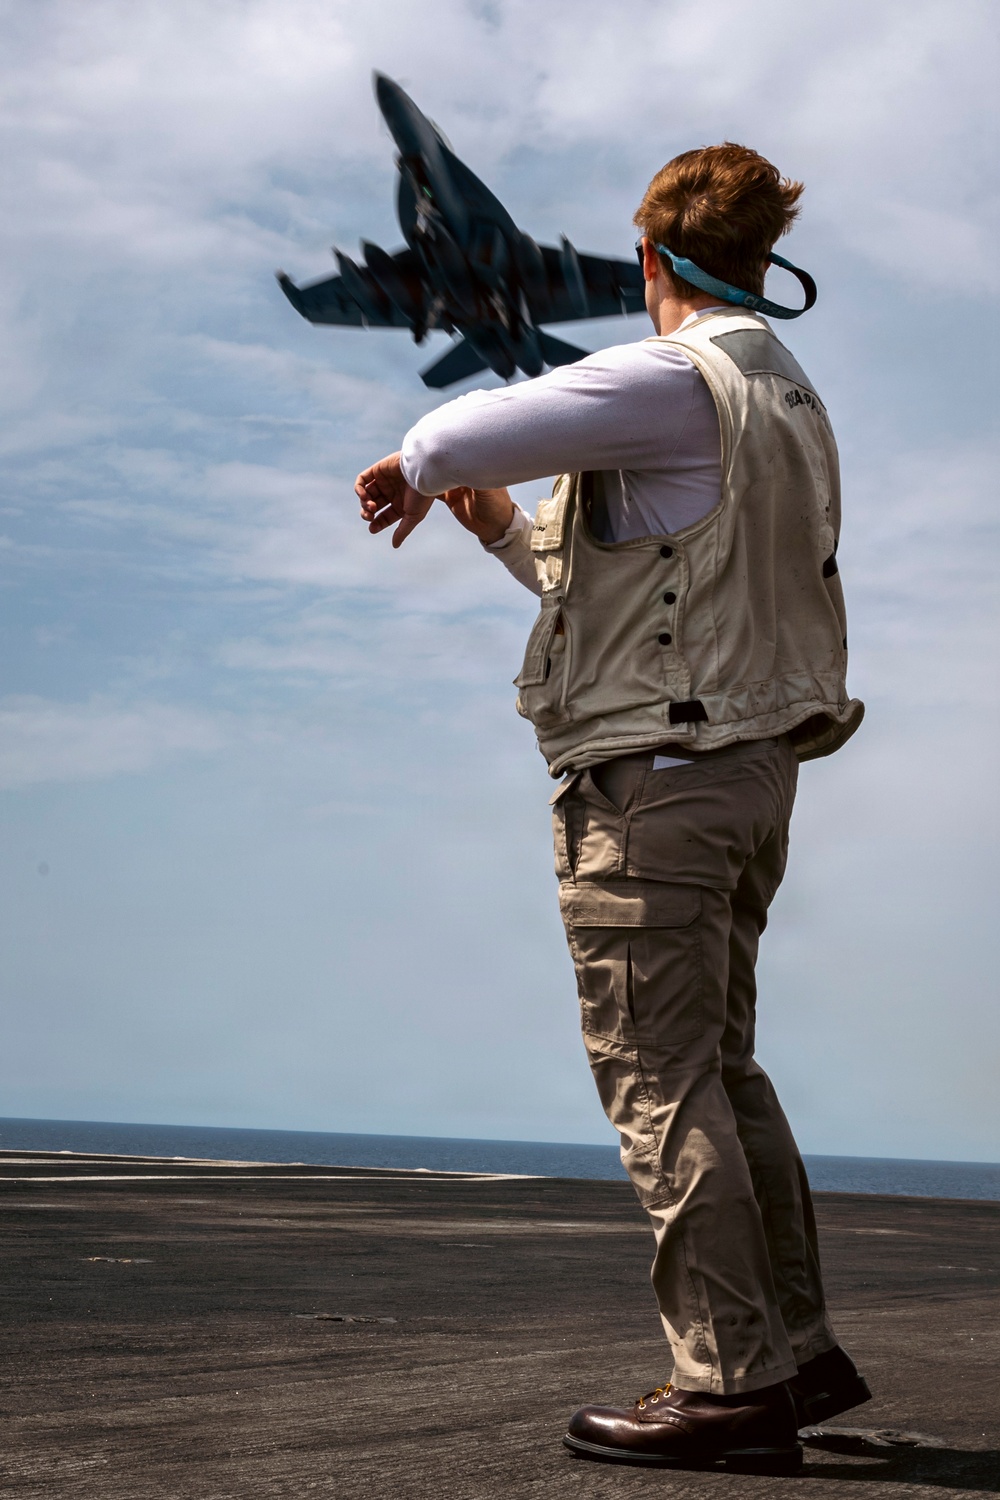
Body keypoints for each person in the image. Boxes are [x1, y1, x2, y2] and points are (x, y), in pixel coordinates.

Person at [355, 143, 869, 1475]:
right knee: (723, 1071)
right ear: (764, 259)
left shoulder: (669, 377)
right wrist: (494, 523)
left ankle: (729, 1386)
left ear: (649, 258)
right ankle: (796, 1355)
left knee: (656, 1078)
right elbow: (643, 592)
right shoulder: (783, 396)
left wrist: (422, 462)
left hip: (655, 789)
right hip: (746, 774)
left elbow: (442, 434)